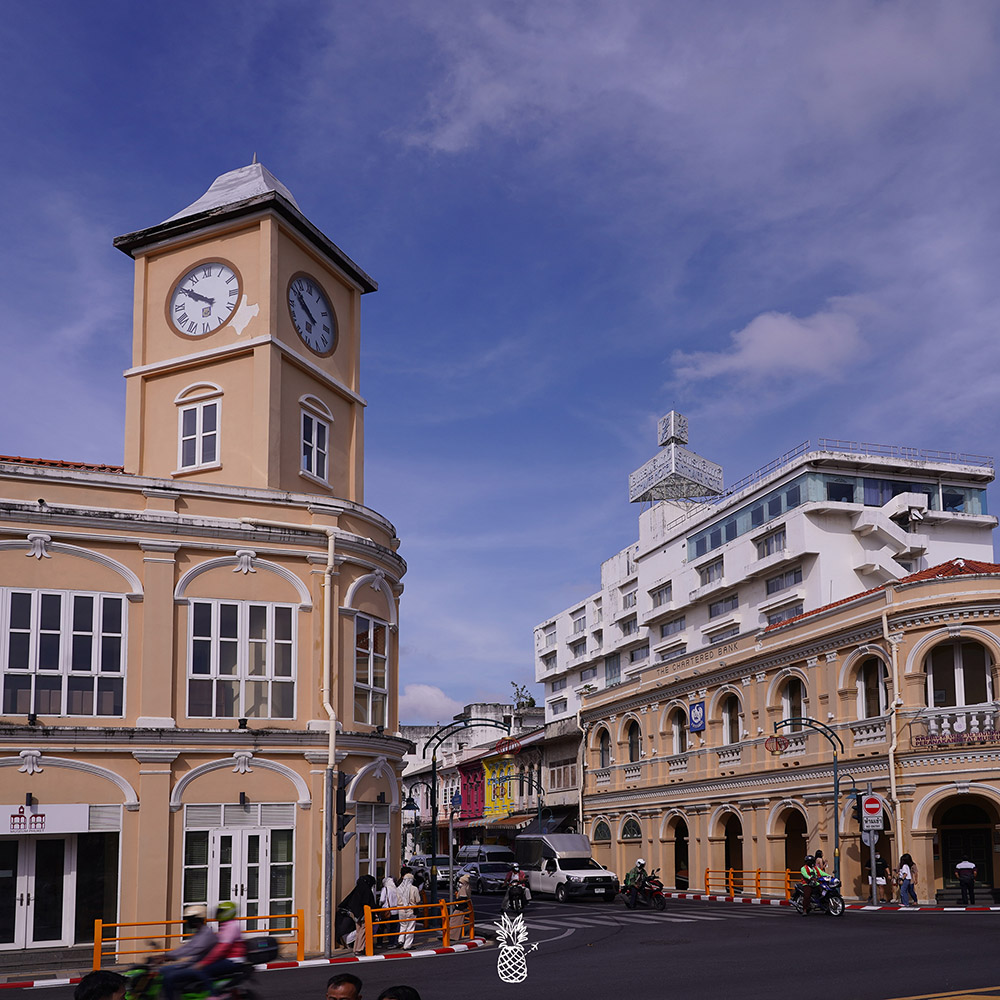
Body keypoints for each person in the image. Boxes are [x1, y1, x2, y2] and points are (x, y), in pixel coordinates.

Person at [187, 900, 246, 997]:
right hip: (227, 958)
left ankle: (213, 996)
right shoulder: (227, 925)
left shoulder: (231, 926)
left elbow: (222, 948)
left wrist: (204, 962)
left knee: (203, 970)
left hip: (233, 960)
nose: (218, 914)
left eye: (220, 912)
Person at [158, 904, 217, 1000]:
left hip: (199, 967)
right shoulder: (200, 933)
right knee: (162, 971)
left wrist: (169, 956)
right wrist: (166, 955)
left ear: (197, 919)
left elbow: (193, 950)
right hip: (193, 964)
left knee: (169, 977)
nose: (187, 922)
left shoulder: (206, 935)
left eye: (189, 919)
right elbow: (187, 947)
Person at [336, 875, 379, 949]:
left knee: (359, 932)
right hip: (364, 915)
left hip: (357, 916)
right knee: (363, 931)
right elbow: (370, 904)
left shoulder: (357, 891)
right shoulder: (367, 891)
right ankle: (359, 949)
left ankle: (356, 948)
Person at [395, 869, 422, 949]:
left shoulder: (399, 888)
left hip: (401, 909)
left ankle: (401, 940)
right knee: (410, 927)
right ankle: (407, 945)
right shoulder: (414, 888)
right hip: (411, 909)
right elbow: (418, 900)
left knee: (403, 925)